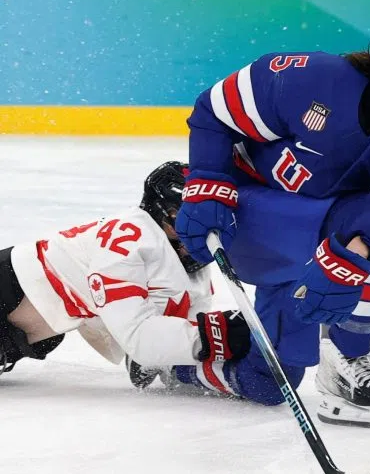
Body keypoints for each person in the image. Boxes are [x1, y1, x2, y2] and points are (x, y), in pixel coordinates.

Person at [163, 3, 370, 428]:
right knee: (361, 239)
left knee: (270, 382)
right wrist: (208, 183)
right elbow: (214, 113)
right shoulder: (308, 78)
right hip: (241, 218)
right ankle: (348, 356)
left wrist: (350, 259)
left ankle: (199, 351)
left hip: (307, 236)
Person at [0, 162, 248, 380]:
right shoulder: (130, 238)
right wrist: (217, 335)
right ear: (157, 209)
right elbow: (140, 340)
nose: (191, 232)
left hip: (18, 332)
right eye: (179, 217)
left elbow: (158, 354)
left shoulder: (193, 272)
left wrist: (218, 340)